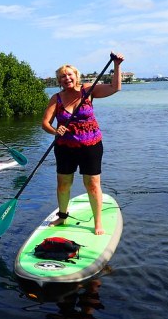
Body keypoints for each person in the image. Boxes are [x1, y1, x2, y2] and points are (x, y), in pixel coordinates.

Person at [41, 52, 125, 235]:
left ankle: (98, 222)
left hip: (91, 146)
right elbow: (45, 123)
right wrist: (55, 131)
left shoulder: (88, 90)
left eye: (70, 74)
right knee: (63, 184)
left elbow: (115, 87)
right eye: (63, 76)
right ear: (59, 80)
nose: (67, 78)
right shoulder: (56, 98)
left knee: (92, 184)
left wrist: (117, 65)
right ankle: (62, 216)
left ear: (77, 76)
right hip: (64, 148)